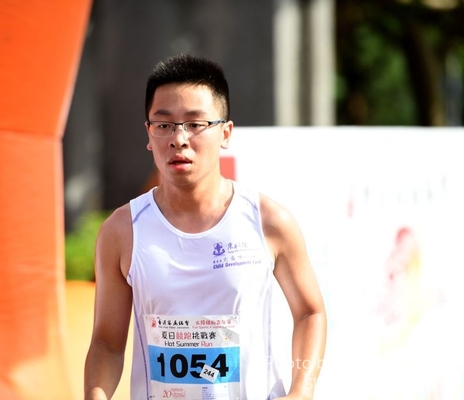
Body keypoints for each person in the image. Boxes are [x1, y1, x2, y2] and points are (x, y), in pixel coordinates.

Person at [84, 54, 327, 400]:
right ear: (148, 134)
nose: (179, 139)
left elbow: (310, 312)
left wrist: (302, 391)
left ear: (225, 133)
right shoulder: (122, 231)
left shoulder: (269, 222)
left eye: (195, 124)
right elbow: (107, 343)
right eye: (164, 124)